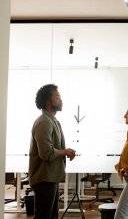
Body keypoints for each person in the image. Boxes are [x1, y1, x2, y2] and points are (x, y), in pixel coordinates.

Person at [28, 84, 76, 219]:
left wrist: (65, 151)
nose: (61, 99)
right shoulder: (44, 122)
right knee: (44, 216)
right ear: (48, 101)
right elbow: (46, 152)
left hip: (50, 177)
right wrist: (65, 151)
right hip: (44, 178)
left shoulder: (52, 121)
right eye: (57, 96)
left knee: (51, 215)